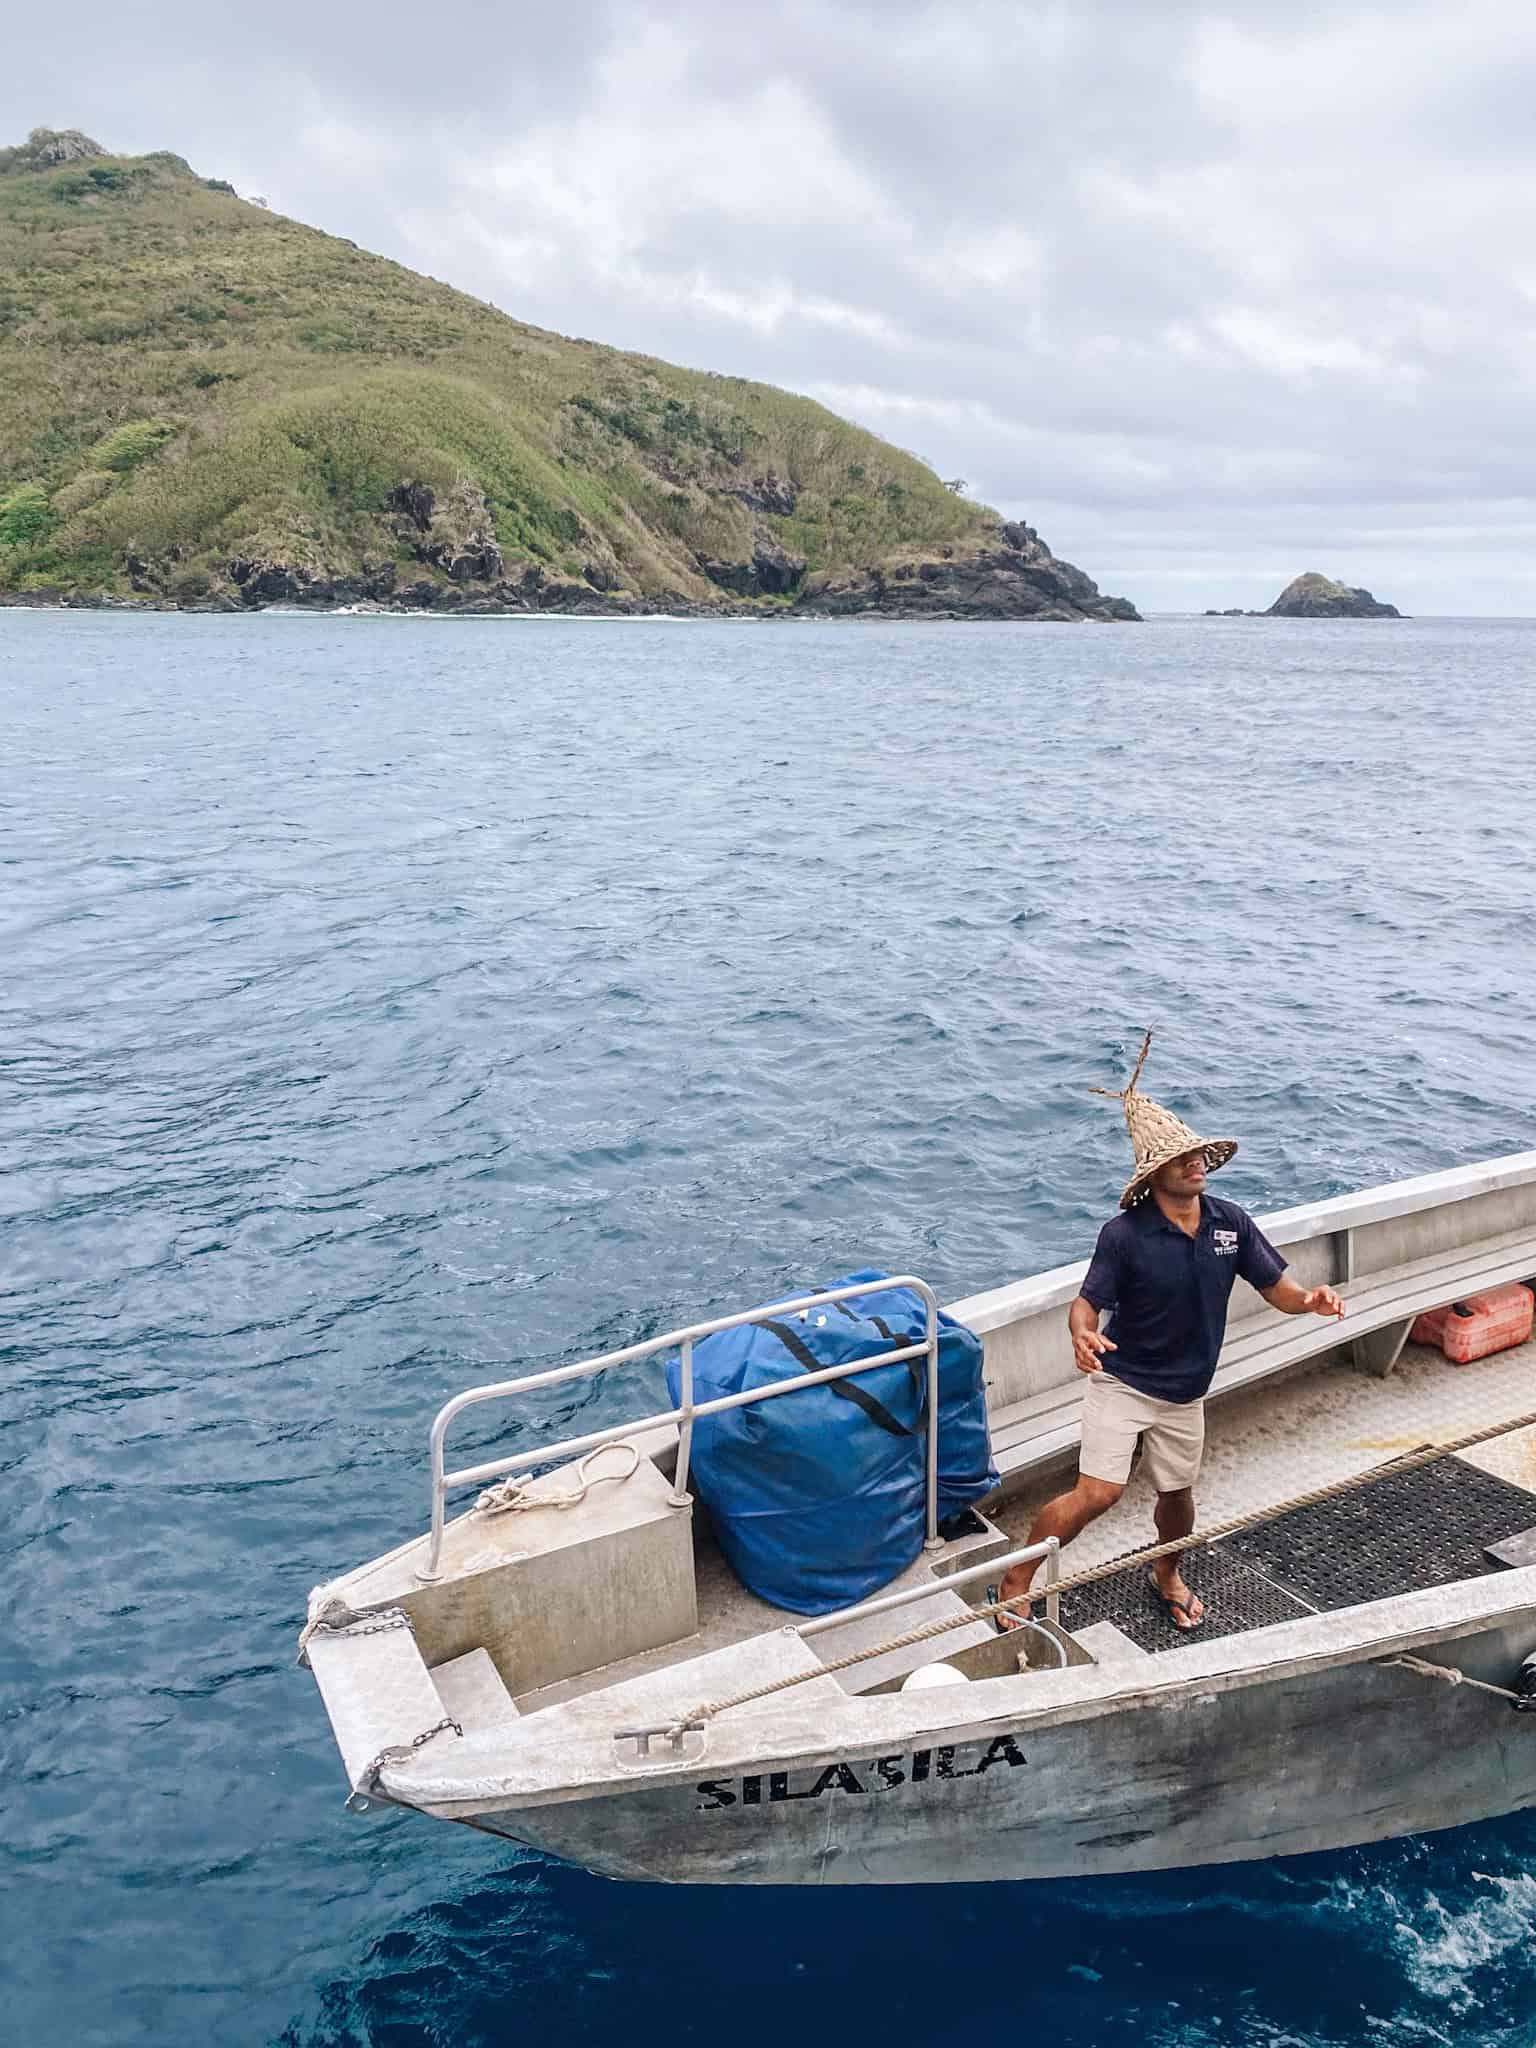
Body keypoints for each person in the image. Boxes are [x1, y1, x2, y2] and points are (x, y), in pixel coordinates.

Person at [996, 1033, 1344, 1632]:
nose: (1198, 1163)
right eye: (1185, 1159)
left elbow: (1278, 1289)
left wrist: (1309, 1301)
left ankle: (1167, 1572)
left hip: (1187, 1393)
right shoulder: (1124, 1235)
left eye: (1201, 1155)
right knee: (1099, 1494)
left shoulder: (1230, 1223)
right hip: (1124, 1384)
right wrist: (1081, 1336)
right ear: (1156, 1175)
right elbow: (1086, 1306)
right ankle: (1017, 1578)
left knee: (1179, 1499)